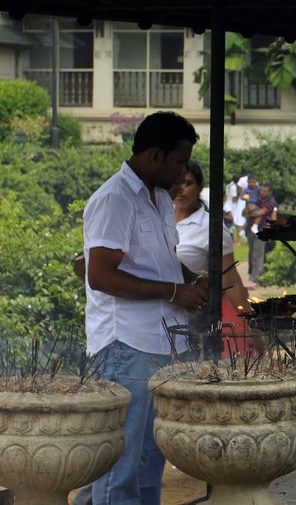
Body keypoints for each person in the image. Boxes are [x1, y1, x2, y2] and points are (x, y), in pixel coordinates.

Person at [83, 111, 207, 504]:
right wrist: (172, 292)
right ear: (155, 155)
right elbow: (99, 275)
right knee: (121, 466)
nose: (183, 171)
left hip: (163, 344)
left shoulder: (155, 197)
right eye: (179, 160)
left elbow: (155, 259)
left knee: (150, 461)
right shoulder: (114, 199)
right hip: (127, 346)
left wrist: (188, 278)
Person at [170, 161, 257, 336]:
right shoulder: (158, 216)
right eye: (176, 182)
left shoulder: (210, 227)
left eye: (188, 183)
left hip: (191, 321)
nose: (180, 189)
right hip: (152, 316)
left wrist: (249, 328)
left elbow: (230, 279)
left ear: (200, 186)